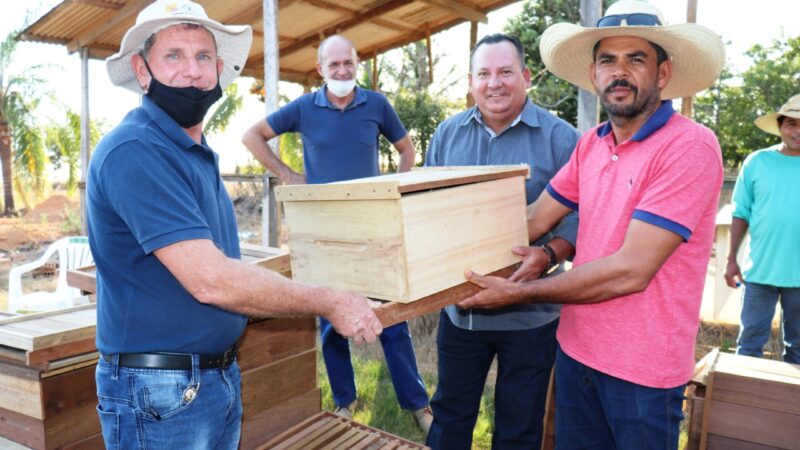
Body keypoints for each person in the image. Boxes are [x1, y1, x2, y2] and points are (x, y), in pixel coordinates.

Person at [88, 2, 382, 449]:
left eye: (203, 56)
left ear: (219, 71)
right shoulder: (135, 150)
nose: (192, 70)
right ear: (142, 70)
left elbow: (221, 267)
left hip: (209, 377)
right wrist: (330, 301)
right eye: (174, 55)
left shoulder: (191, 151)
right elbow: (211, 280)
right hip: (160, 390)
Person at [458, 1, 725, 448]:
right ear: (593, 73)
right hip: (577, 353)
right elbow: (534, 218)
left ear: (662, 73)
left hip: (642, 373)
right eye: (607, 60)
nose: (619, 72)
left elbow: (631, 270)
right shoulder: (591, 145)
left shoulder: (689, 146)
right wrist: (442, 254)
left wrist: (521, 292)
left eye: (636, 59)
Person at [242, 35, 432, 431]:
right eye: (334, 65)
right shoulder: (303, 107)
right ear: (321, 69)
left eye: (348, 63)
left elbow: (406, 149)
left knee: (392, 317)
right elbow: (252, 136)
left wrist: (397, 187)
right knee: (330, 321)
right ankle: (345, 400)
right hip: (323, 231)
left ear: (356, 63)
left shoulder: (376, 104)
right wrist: (288, 174)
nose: (342, 71)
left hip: (373, 227)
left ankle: (417, 405)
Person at [423, 33, 579, 450]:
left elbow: (582, 216)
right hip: (462, 313)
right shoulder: (446, 135)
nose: (494, 83)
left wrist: (549, 253)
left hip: (532, 315)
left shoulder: (562, 139)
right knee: (450, 416)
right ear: (471, 82)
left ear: (526, 77)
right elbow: (425, 209)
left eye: (505, 72)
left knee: (519, 427)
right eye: (484, 74)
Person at [725, 94, 800, 364]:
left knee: (798, 350)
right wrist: (731, 259)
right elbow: (740, 212)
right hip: (760, 272)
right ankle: (745, 394)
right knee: (749, 345)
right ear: (780, 126)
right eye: (791, 124)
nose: (798, 131)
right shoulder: (757, 162)